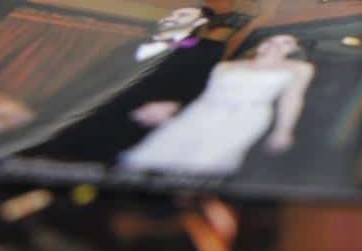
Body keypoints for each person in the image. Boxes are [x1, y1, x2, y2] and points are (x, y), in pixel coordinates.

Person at [19, 5, 229, 165]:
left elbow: (203, 85)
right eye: (172, 13)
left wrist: (177, 106)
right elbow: (88, 78)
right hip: (81, 112)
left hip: (132, 118)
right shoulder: (132, 44)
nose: (173, 16)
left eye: (183, 15)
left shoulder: (208, 50)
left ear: (200, 23)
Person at [115, 32, 315, 179]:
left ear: (293, 50)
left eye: (285, 43)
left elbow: (292, 99)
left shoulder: (299, 69)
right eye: (271, 41)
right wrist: (175, 111)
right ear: (261, 45)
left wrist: (283, 131)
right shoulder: (225, 66)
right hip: (203, 111)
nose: (276, 45)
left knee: (199, 165)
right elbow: (204, 93)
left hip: (246, 117)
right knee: (155, 152)